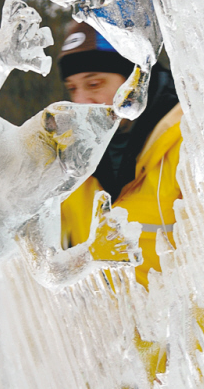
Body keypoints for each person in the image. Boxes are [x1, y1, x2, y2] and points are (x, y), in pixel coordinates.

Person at [58, 21, 183, 290]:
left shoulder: (188, 142)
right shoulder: (74, 166)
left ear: (135, 78)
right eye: (72, 88)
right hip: (116, 329)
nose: (80, 102)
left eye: (94, 83)